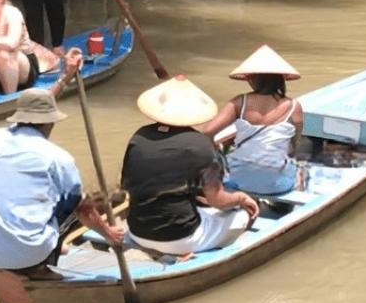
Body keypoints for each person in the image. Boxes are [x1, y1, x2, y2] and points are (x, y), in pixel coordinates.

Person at [0, 51, 125, 274]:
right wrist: (109, 234)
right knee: (76, 201)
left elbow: (39, 107)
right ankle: (43, 263)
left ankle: (34, 255)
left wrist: (65, 77)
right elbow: (83, 210)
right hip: (29, 253)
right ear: (50, 122)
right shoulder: (58, 159)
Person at [121, 75, 259, 258]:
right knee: (245, 213)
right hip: (181, 238)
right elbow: (218, 200)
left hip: (137, 231)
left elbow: (127, 183)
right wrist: (242, 199)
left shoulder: (139, 137)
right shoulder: (200, 145)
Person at [202, 46, 304, 195]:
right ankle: (298, 186)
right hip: (275, 185)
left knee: (232, 160)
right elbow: (294, 144)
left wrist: (216, 152)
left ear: (253, 79)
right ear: (280, 79)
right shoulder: (294, 106)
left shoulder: (239, 102)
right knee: (298, 168)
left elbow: (207, 132)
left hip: (239, 180)